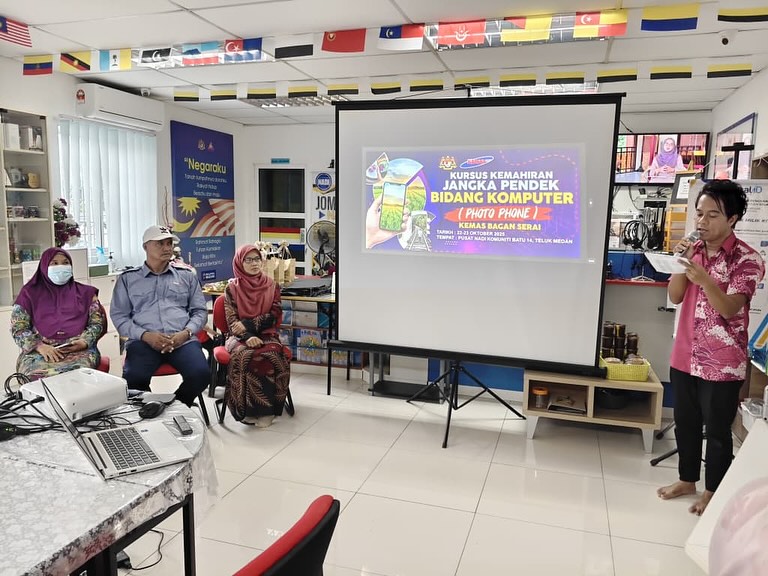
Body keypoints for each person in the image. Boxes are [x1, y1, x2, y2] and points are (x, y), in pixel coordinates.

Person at [657, 180, 764, 515]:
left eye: (712, 215)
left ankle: (713, 490)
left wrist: (704, 278)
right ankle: (687, 479)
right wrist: (681, 263)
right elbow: (675, 296)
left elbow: (730, 308)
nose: (702, 222)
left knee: (717, 431)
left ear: (732, 219)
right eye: (699, 213)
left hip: (723, 361)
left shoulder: (747, 259)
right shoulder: (694, 250)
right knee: (686, 422)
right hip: (684, 353)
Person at [110, 225, 209, 407]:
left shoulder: (186, 276)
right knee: (133, 379)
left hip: (182, 340)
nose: (166, 248)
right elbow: (120, 316)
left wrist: (186, 333)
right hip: (143, 342)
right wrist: (145, 335)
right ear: (145, 247)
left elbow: (199, 311)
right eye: (160, 244)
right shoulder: (128, 279)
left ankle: (173, 408)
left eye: (169, 243)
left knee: (201, 374)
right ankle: (149, 409)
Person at [11, 247, 106, 380]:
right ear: (44, 266)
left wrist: (84, 342)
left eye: (65, 262)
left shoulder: (87, 293)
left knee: (78, 379)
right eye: (54, 263)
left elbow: (97, 323)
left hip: (78, 350)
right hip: (39, 352)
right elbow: (19, 328)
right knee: (37, 381)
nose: (61, 267)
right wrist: (39, 346)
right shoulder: (28, 294)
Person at [223, 244, 290, 427]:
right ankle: (245, 409)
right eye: (248, 260)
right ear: (239, 262)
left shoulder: (272, 285)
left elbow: (274, 315)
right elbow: (232, 321)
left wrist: (248, 324)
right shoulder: (231, 288)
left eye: (257, 259)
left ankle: (268, 411)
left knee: (271, 354)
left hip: (267, 333)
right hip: (238, 336)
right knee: (244, 355)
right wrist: (247, 336)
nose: (254, 263)